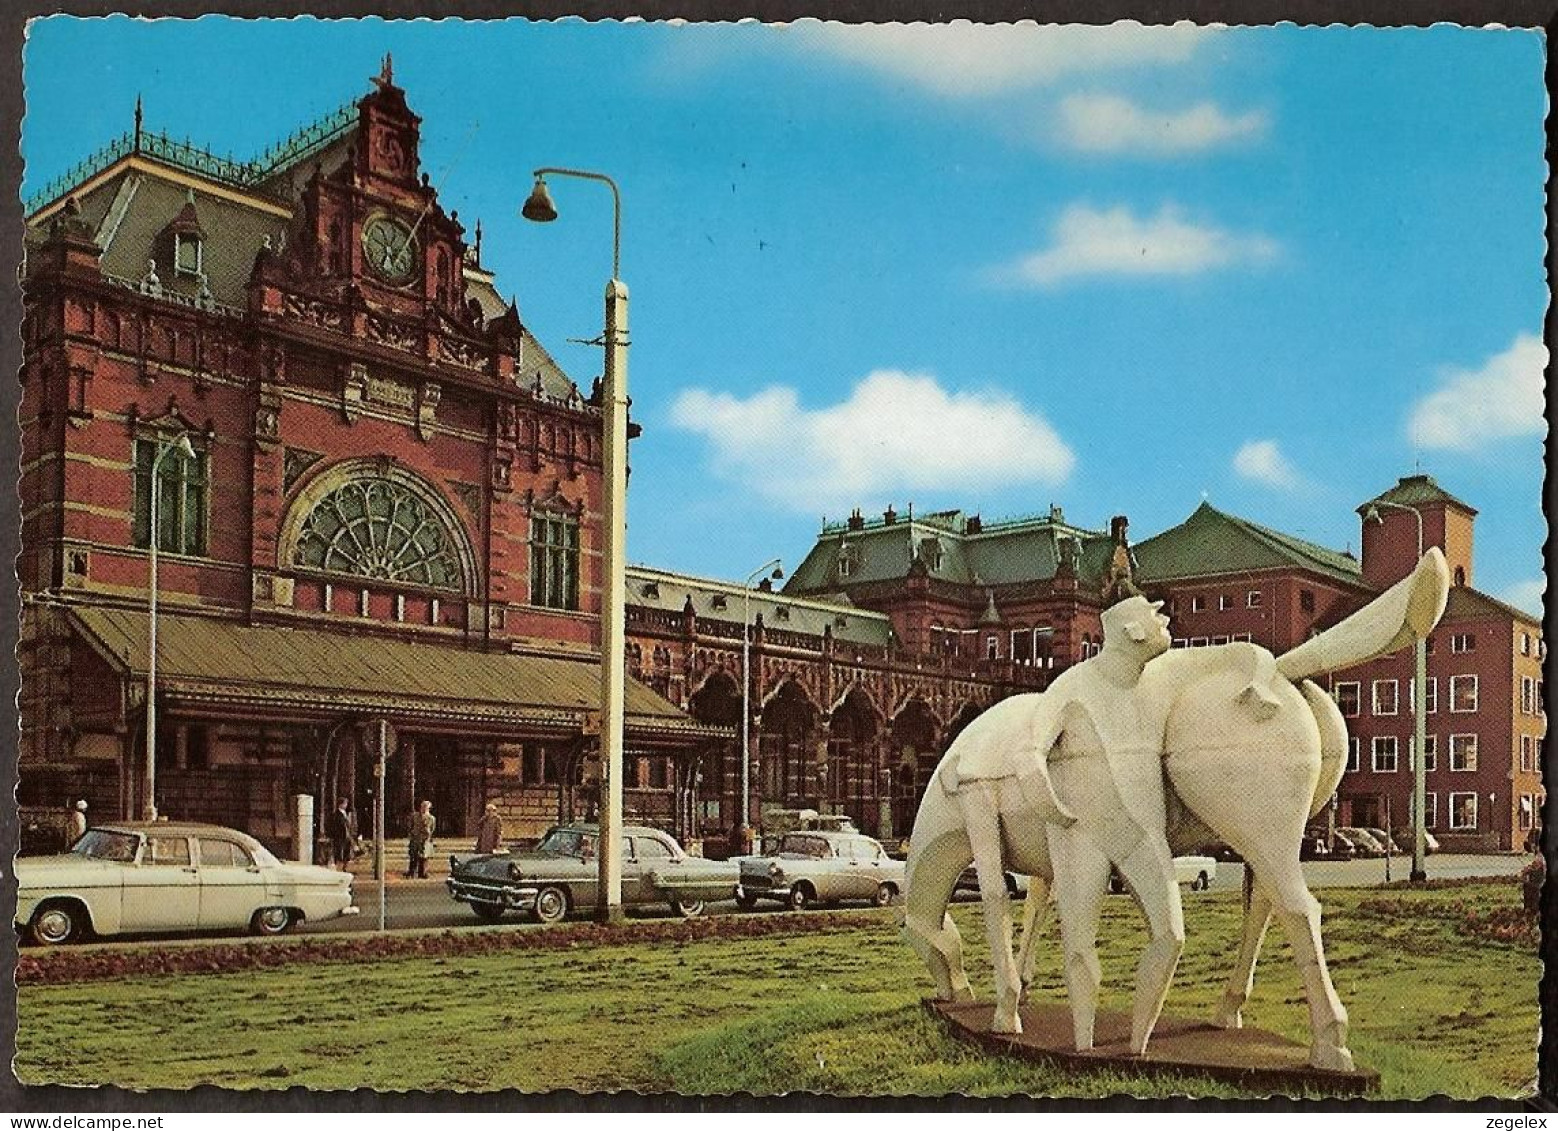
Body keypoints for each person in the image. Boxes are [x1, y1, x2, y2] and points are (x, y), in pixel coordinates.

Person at [406, 799, 436, 878]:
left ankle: (422, 873)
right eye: (423, 807)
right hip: (415, 838)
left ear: (429, 808)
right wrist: (411, 834)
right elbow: (410, 825)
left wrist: (428, 834)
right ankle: (411, 872)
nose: (424, 808)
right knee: (413, 856)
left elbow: (432, 828)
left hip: (425, 839)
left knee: (424, 857)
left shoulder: (431, 818)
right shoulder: (415, 816)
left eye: (426, 807)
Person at [326, 797, 355, 869]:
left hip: (346, 835)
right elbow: (334, 825)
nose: (346, 805)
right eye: (345, 803)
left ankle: (344, 866)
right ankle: (339, 865)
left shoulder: (346, 813)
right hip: (339, 836)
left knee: (346, 851)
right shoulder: (336, 814)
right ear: (340, 804)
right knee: (339, 851)